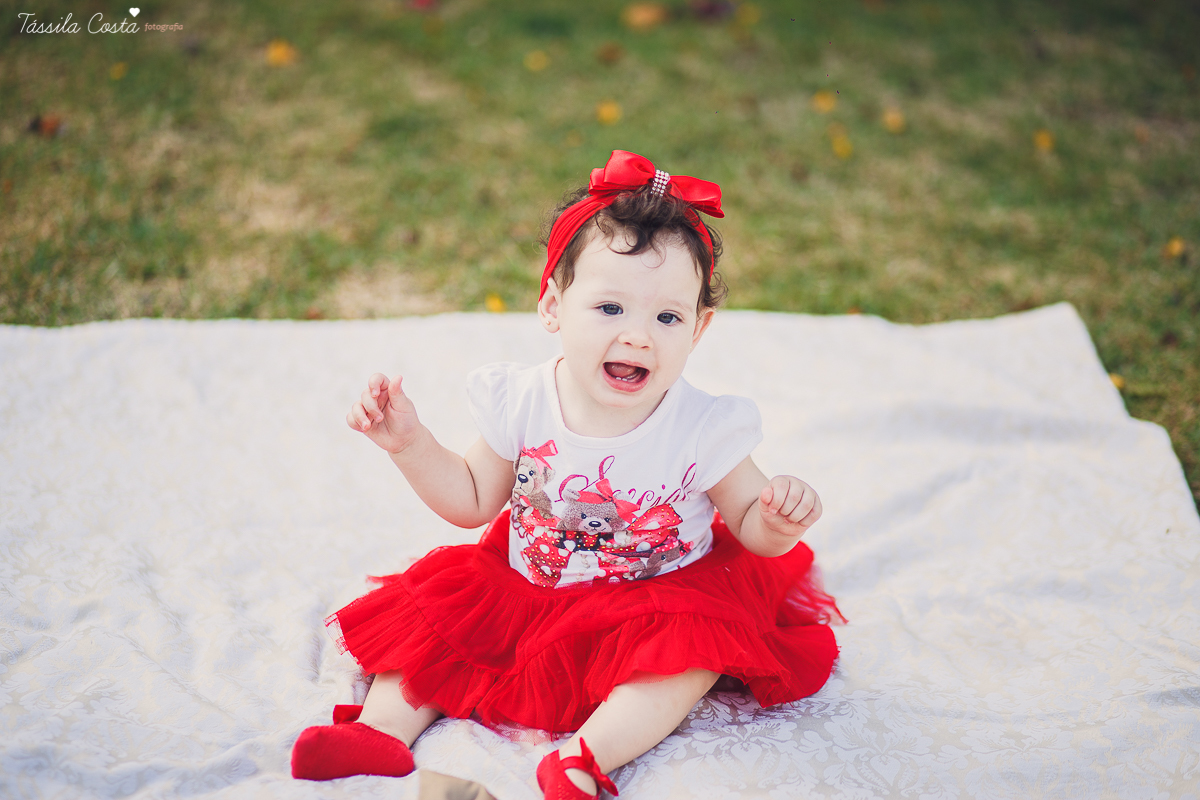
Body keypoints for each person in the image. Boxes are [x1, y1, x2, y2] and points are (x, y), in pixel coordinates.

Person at [290, 150, 842, 798]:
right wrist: (409, 445)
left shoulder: (703, 426)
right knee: (441, 625)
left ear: (699, 328)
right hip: (531, 588)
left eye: (667, 317)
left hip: (655, 606)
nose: (639, 336)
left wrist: (776, 520)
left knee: (686, 662)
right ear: (553, 306)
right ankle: (379, 730)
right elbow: (472, 501)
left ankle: (584, 757)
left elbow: (751, 526)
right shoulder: (523, 400)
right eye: (610, 308)